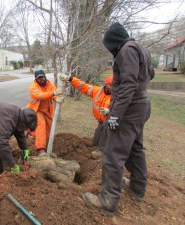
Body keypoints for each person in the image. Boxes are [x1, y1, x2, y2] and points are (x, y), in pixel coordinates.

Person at [82, 22, 155, 214]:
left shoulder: (127, 50)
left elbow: (129, 85)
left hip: (130, 109)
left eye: (109, 47)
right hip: (141, 106)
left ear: (114, 42)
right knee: (135, 148)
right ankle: (138, 187)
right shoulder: (141, 49)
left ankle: (108, 199)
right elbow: (150, 74)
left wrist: (115, 115)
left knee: (113, 154)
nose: (111, 51)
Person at [59, 74, 113, 159]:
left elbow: (121, 110)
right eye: (111, 85)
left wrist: (110, 112)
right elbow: (83, 86)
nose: (113, 87)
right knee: (95, 142)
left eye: (115, 85)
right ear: (106, 84)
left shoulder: (117, 96)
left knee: (107, 126)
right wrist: (70, 79)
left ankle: (103, 151)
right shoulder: (97, 91)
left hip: (111, 122)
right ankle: (100, 149)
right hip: (101, 122)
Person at [26, 69, 64, 156]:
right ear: (36, 79)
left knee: (49, 130)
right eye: (39, 78)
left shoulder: (50, 85)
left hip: (47, 112)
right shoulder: (33, 87)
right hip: (35, 111)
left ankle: (32, 133)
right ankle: (40, 149)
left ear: (45, 77)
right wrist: (53, 93)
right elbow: (40, 96)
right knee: (41, 124)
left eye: (42, 77)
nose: (41, 79)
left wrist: (57, 98)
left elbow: (54, 95)